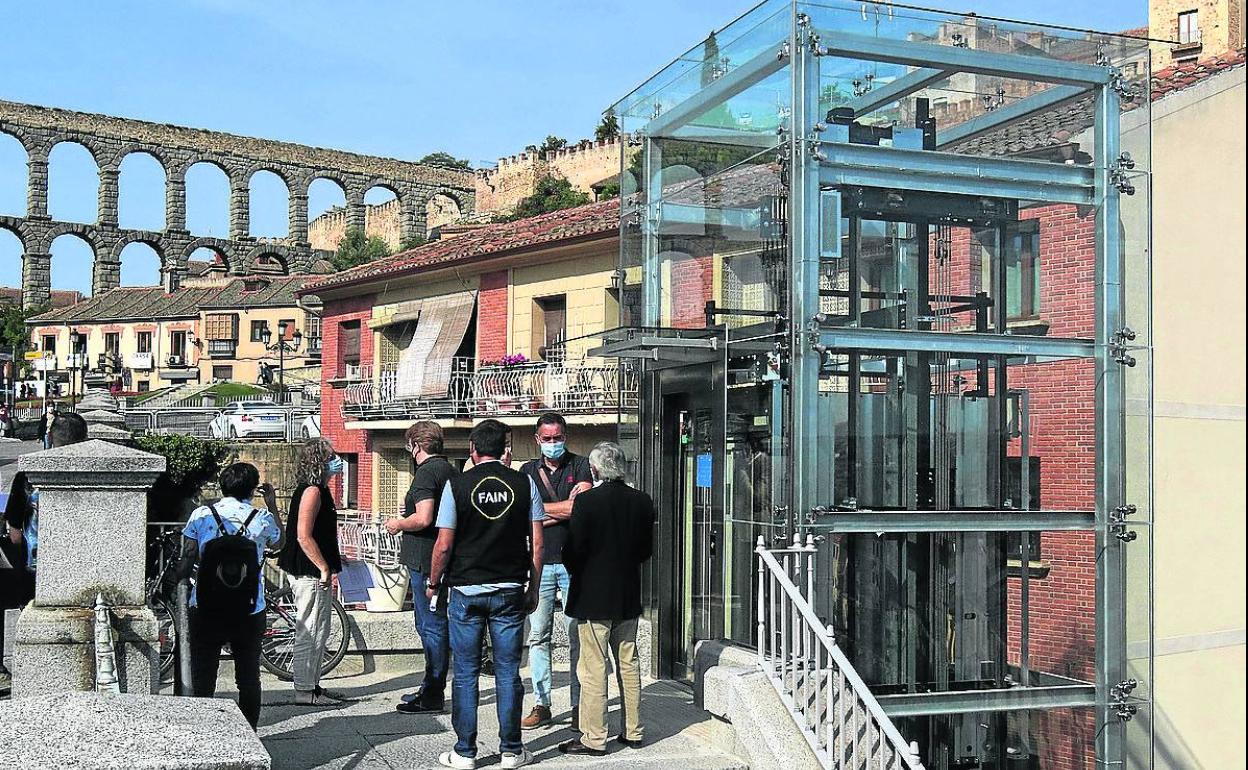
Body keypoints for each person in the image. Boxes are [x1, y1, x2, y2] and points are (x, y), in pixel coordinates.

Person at [425, 419, 545, 770]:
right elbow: (537, 542)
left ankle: (464, 752)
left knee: (465, 672)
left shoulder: (457, 486)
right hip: (509, 588)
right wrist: (533, 588)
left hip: (465, 589)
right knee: (508, 670)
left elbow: (443, 545)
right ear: (505, 449)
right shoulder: (525, 484)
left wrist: (434, 582)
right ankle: (511, 750)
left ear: (474, 451)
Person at [558, 443, 655, 756]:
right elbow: (645, 551)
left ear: (594, 469)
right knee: (629, 663)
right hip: (627, 593)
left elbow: (574, 551)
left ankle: (594, 738)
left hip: (593, 596)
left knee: (593, 668)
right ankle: (633, 730)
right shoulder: (642, 501)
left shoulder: (586, 501)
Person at [177, 462, 281, 729]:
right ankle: (250, 733)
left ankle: (204, 731)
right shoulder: (261, 518)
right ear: (252, 489)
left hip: (206, 605)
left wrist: (179, 581)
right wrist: (272, 504)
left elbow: (188, 554)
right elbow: (280, 543)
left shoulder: (202, 514)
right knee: (248, 675)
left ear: (222, 486)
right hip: (249, 607)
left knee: (204, 673)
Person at [0, 411, 89, 689]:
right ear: (85, 440)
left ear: (50, 438)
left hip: (35, 571)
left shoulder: (28, 475)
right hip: (83, 569)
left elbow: (15, 534)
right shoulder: (94, 469)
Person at [518, 411, 592, 730]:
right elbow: (522, 513)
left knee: (579, 635)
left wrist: (540, 513)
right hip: (540, 562)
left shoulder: (581, 465)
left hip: (574, 562)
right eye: (546, 439)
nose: (552, 444)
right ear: (537, 440)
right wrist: (563, 510)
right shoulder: (526, 471)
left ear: (566, 436)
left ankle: (578, 705)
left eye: (557, 438)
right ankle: (542, 703)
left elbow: (582, 507)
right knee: (538, 636)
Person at [384, 421, 458, 714]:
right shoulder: (450, 470)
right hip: (440, 556)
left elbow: (424, 517)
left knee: (431, 626)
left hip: (426, 559)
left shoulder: (427, 473)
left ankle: (432, 693)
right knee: (434, 624)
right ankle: (431, 687)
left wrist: (398, 523)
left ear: (416, 444)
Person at [277, 437, 345, 706]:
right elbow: (303, 536)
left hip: (314, 570)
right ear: (320, 461)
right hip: (309, 571)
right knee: (310, 629)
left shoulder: (318, 490)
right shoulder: (312, 492)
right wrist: (323, 567)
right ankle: (304, 690)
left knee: (320, 629)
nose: (337, 461)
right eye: (332, 457)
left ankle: (313, 685)